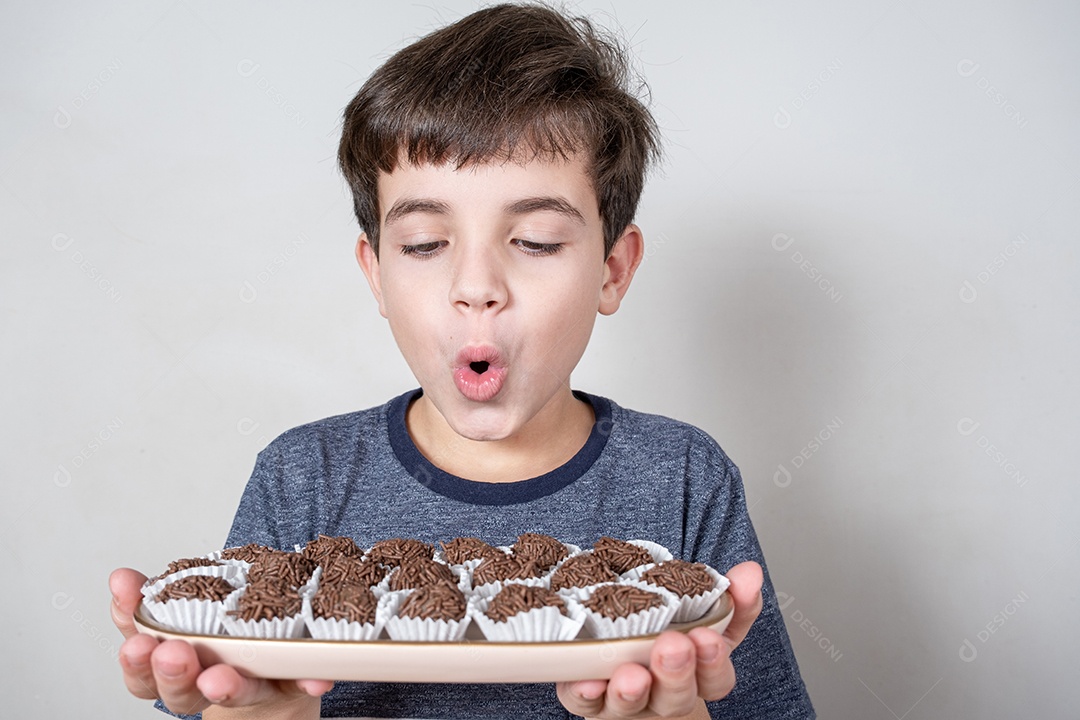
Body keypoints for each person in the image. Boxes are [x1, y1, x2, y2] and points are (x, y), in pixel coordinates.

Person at [109, 4, 815, 719]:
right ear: (377, 273)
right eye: (423, 244)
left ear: (612, 271)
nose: (476, 287)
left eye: (536, 240)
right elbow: (230, 677)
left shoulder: (683, 478)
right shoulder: (302, 479)